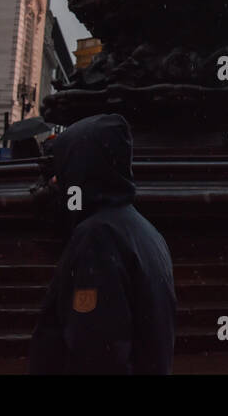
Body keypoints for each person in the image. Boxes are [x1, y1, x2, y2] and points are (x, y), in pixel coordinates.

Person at [29, 114, 177, 374]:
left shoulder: (97, 238)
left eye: (63, 169)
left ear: (80, 169)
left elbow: (96, 350)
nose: (55, 181)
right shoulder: (146, 231)